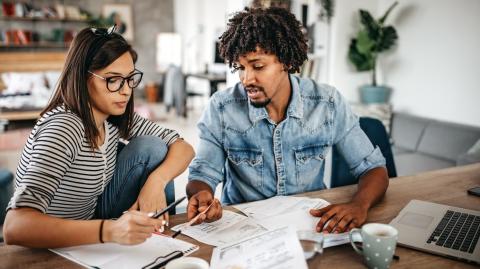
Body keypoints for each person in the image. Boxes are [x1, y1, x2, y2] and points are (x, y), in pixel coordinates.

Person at [186, 7, 388, 234]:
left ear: (287, 62)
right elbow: (201, 175)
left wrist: (359, 205)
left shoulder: (327, 103)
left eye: (258, 66)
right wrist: (202, 196)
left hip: (311, 226)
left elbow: (373, 169)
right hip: (244, 230)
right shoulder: (221, 108)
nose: (246, 79)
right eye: (240, 68)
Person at [3, 25, 195, 248]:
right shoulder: (64, 127)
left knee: (153, 147)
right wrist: (110, 230)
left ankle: (161, 241)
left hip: (93, 223)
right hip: (54, 242)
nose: (126, 91)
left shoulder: (114, 117)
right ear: (83, 77)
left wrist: (156, 182)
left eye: (130, 78)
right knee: (150, 148)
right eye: (113, 80)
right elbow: (14, 227)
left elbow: (184, 147)